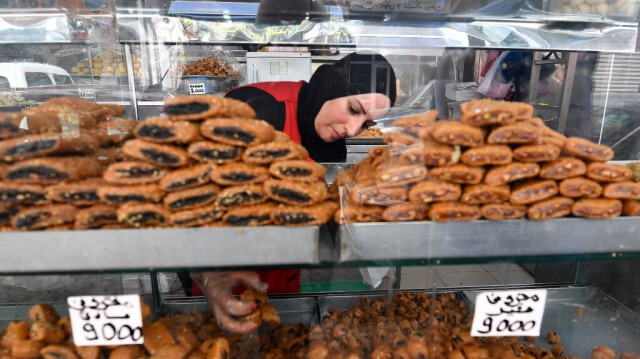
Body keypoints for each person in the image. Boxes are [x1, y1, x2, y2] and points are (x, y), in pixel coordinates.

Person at [190, 52, 397, 334]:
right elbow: (191, 203)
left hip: (284, 288)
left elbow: (319, 219)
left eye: (366, 124)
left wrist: (368, 244)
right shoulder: (257, 109)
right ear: (331, 87)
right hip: (224, 288)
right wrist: (209, 278)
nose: (352, 129)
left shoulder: (332, 143)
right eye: (353, 108)